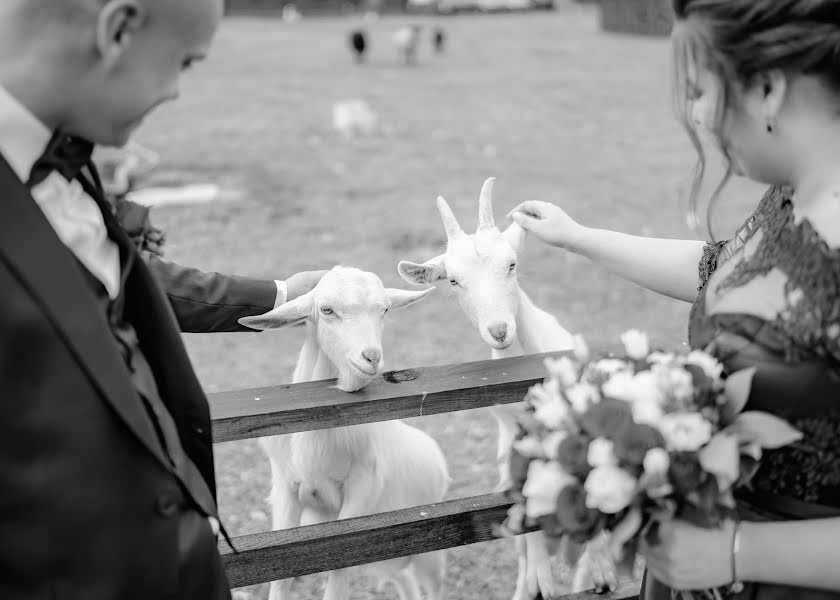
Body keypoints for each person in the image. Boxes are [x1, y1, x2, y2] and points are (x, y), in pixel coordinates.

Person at [508, 0, 840, 598]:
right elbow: (722, 271)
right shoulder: (791, 197)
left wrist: (740, 551)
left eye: (699, 89)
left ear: (766, 87)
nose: (695, 114)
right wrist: (580, 238)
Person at [0, 0, 325, 598]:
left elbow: (97, 279)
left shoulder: (61, 155)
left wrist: (278, 294)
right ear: (118, 30)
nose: (176, 91)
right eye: (183, 62)